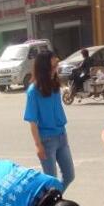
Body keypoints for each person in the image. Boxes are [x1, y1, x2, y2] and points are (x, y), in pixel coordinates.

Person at [24, 51, 75, 191]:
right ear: (43, 68)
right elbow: (32, 122)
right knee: (51, 181)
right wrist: (38, 145)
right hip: (46, 141)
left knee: (69, 175)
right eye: (52, 67)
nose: (55, 69)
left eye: (56, 65)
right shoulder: (33, 91)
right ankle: (50, 201)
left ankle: (52, 199)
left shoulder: (54, 85)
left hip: (61, 136)